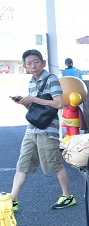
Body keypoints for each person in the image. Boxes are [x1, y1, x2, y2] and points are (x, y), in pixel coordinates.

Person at [9, 49, 76, 211]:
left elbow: (59, 103)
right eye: (29, 63)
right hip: (31, 130)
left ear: (43, 63)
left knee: (54, 164)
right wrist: (25, 102)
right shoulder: (31, 82)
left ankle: (68, 196)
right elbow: (35, 107)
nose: (33, 66)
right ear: (25, 67)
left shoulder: (52, 79)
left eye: (36, 62)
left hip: (48, 130)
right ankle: (12, 200)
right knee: (22, 164)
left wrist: (33, 98)